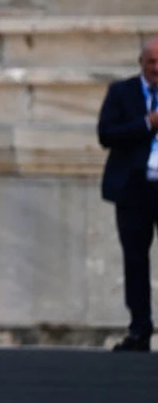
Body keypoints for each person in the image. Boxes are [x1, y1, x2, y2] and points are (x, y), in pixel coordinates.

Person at [98, 36, 158, 352]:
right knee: (135, 262)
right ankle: (139, 331)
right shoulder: (122, 92)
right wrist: (147, 123)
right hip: (133, 190)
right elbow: (106, 135)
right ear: (141, 63)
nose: (156, 68)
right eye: (151, 61)